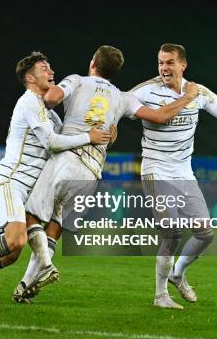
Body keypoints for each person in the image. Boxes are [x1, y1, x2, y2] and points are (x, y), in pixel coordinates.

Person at [11, 45, 199, 303]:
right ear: (115, 71)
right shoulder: (123, 97)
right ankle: (25, 285)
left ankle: (44, 265)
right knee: (57, 226)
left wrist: (43, 90)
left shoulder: (76, 81)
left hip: (67, 158)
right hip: (91, 172)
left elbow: (51, 98)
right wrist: (187, 97)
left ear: (92, 63)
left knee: (31, 214)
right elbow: (159, 117)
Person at [0, 51, 113, 302]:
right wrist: (89, 137)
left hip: (24, 188)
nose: (51, 72)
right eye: (44, 68)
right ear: (30, 77)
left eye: (50, 67)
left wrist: (104, 134)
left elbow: (67, 142)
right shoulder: (29, 101)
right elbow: (52, 143)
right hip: (10, 181)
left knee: (11, 253)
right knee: (15, 239)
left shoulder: (49, 112)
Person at [130, 43, 217, 309]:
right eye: (160, 62)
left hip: (183, 172)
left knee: (205, 233)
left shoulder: (199, 92)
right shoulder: (145, 90)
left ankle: (177, 274)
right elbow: (120, 103)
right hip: (155, 169)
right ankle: (160, 296)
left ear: (183, 65)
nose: (164, 68)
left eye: (169, 62)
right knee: (171, 232)